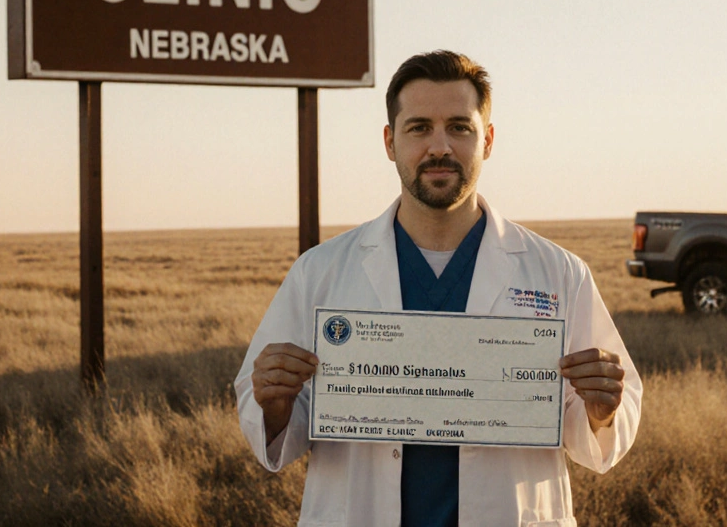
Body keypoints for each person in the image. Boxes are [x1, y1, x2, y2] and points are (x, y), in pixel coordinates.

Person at [234, 51, 641, 526]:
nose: (439, 146)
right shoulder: (321, 271)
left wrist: (600, 412)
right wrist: (275, 402)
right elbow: (275, 429)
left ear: (487, 140)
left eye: (459, 127)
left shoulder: (558, 273)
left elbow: (599, 431)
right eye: (419, 127)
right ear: (390, 141)